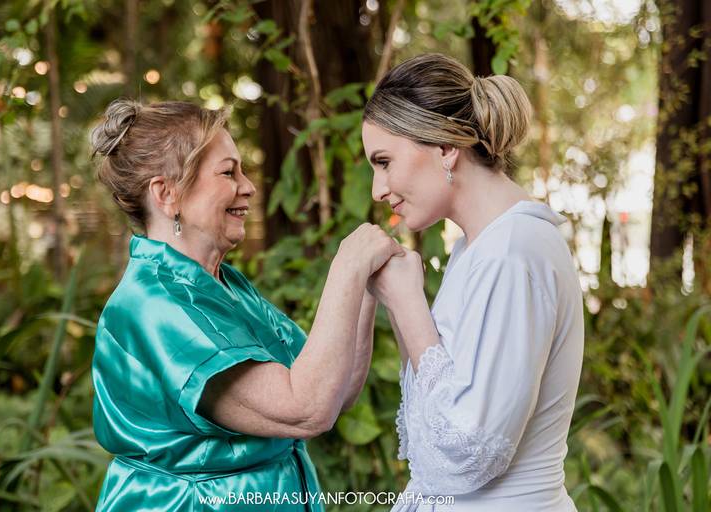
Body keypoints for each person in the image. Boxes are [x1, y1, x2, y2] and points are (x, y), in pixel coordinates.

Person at [89, 99, 402, 511]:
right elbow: (305, 409)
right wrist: (346, 268)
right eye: (228, 172)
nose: (249, 186)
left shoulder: (224, 284)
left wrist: (364, 286)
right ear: (167, 193)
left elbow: (332, 392)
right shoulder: (153, 305)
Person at [362, 53, 584, 511]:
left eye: (384, 162)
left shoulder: (512, 252)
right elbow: (434, 417)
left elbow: (468, 453)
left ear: (445, 147)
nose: (377, 189)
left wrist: (407, 304)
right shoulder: (476, 248)